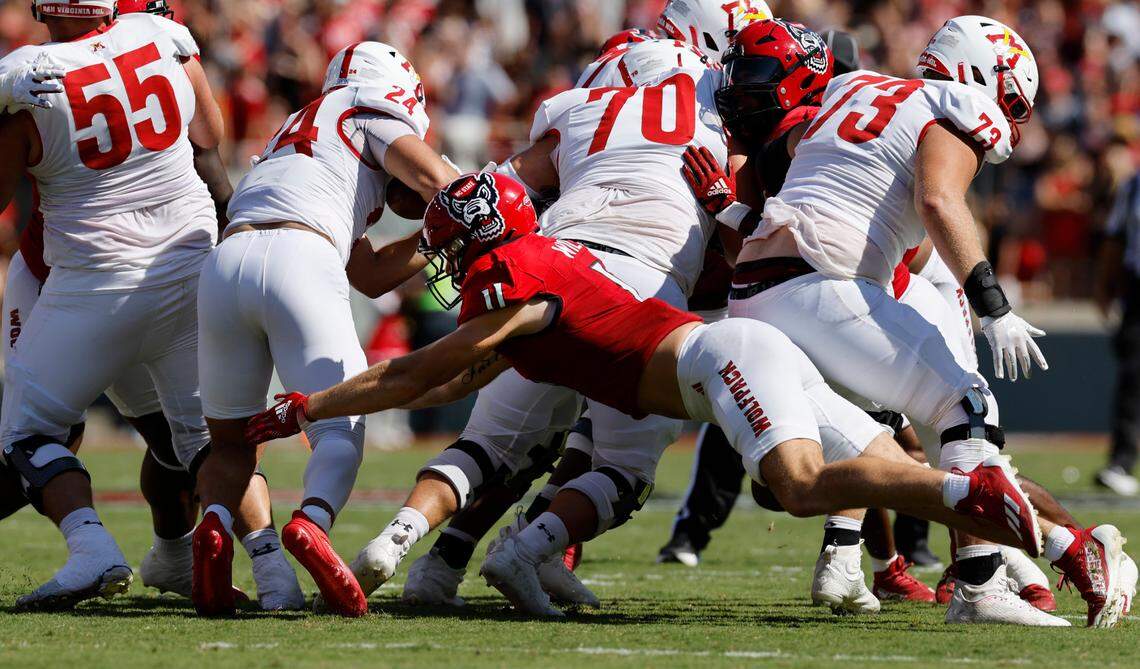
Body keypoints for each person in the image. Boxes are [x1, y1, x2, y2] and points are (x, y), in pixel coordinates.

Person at [247, 171, 1046, 621]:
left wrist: (303, 407)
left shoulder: (516, 275)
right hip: (726, 358)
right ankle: (1067, 542)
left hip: (718, 363)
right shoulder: (541, 266)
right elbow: (463, 377)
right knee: (881, 458)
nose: (450, 261)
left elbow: (416, 374)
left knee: (798, 484)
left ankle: (961, 490)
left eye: (455, 244)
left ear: (486, 237)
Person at [687, 14, 1133, 627]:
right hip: (821, 284)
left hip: (757, 292)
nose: (1009, 115)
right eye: (1007, 96)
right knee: (968, 404)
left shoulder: (852, 88)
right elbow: (938, 198)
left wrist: (732, 209)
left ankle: (1056, 551)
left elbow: (769, 167)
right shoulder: (951, 105)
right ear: (981, 74)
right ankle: (979, 587)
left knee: (894, 466)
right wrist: (992, 303)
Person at [0, 0, 281, 611]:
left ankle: (93, 547)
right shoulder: (161, 37)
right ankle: (274, 566)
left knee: (24, 430)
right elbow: (209, 137)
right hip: (184, 266)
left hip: (91, 285)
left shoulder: (26, 77)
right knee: (210, 438)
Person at [190, 41, 458, 618]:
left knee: (232, 442)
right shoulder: (367, 105)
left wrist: (435, 239)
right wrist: (480, 208)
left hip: (227, 261)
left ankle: (220, 529)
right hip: (301, 256)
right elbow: (443, 182)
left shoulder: (298, 128)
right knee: (341, 425)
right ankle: (311, 523)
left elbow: (369, 275)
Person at [1094, 169, 1140, 496]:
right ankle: (1121, 462)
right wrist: (1103, 286)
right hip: (1138, 290)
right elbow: (1115, 236)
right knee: (1133, 377)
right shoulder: (1133, 184)